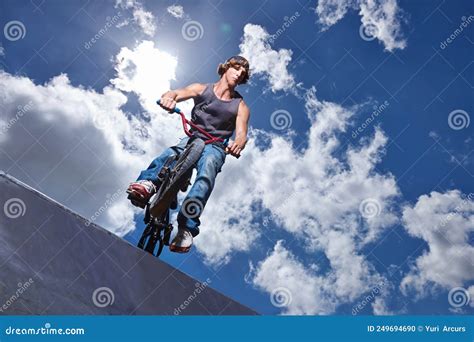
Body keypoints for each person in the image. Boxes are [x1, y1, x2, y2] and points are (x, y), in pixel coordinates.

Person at [127, 56, 251, 253]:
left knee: (208, 170)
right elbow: (176, 92)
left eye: (243, 73)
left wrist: (238, 144)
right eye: (236, 68)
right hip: (193, 136)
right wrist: (169, 98)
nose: (239, 73)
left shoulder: (240, 105)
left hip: (216, 145)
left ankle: (186, 227)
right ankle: (148, 183)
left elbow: (242, 133)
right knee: (173, 152)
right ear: (226, 68)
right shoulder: (202, 88)